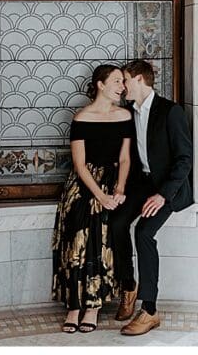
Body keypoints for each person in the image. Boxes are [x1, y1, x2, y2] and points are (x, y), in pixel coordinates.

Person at [110, 60, 194, 336]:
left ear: (139, 79)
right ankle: (128, 287)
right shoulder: (127, 113)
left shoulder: (170, 111)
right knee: (117, 223)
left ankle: (150, 310)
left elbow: (184, 159)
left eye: (125, 80)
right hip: (141, 184)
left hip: (167, 188)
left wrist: (162, 195)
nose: (123, 87)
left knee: (144, 233)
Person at [52, 64, 133, 333]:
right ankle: (74, 306)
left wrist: (118, 189)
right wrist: (99, 195)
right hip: (84, 184)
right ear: (100, 84)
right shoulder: (82, 117)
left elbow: (125, 158)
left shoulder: (124, 116)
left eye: (123, 82)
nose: (122, 86)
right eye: (117, 81)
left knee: (102, 235)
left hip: (112, 181)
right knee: (78, 235)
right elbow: (79, 164)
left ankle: (93, 307)